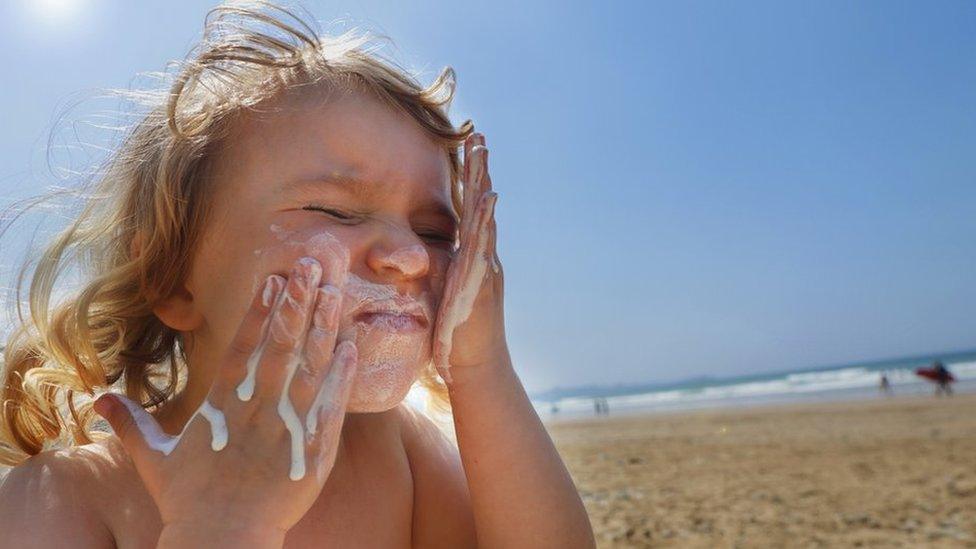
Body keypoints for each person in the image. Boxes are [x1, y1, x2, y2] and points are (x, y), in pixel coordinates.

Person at [0, 3, 595, 547]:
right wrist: (221, 528)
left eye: (436, 233)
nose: (410, 257)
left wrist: (480, 368)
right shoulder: (68, 496)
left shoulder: (396, 450)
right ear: (174, 281)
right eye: (335, 211)